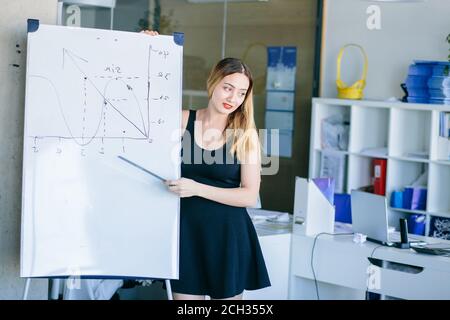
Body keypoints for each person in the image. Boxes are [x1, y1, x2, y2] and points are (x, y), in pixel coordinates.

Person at [143, 30, 271, 300]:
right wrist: (146, 49)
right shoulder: (181, 121)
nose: (233, 98)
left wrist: (197, 188)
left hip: (227, 237)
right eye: (228, 87)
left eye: (241, 93)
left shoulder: (245, 134)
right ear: (213, 83)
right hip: (187, 234)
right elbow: (142, 107)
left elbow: (248, 194)